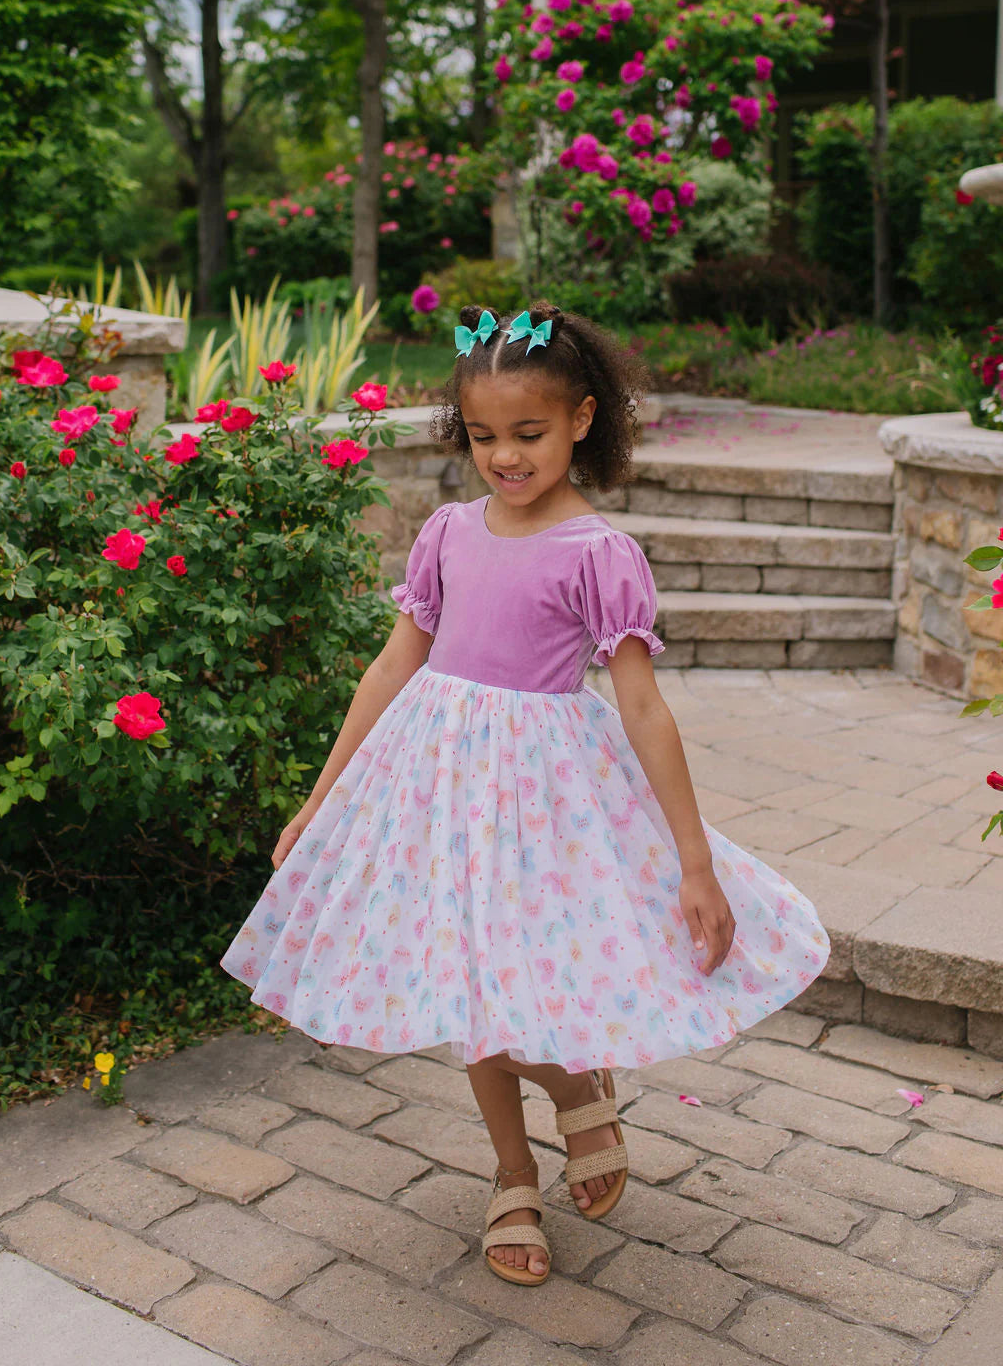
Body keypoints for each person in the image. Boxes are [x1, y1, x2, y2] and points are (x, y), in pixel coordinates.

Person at [220, 300, 831, 1288]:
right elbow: (392, 665)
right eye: (483, 436)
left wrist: (693, 862)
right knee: (465, 977)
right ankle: (515, 1169)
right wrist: (320, 799)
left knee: (507, 980)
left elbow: (642, 708)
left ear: (582, 420)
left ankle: (576, 1093)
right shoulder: (447, 532)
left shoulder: (596, 552)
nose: (504, 456)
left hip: (541, 800)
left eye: (528, 434)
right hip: (434, 787)